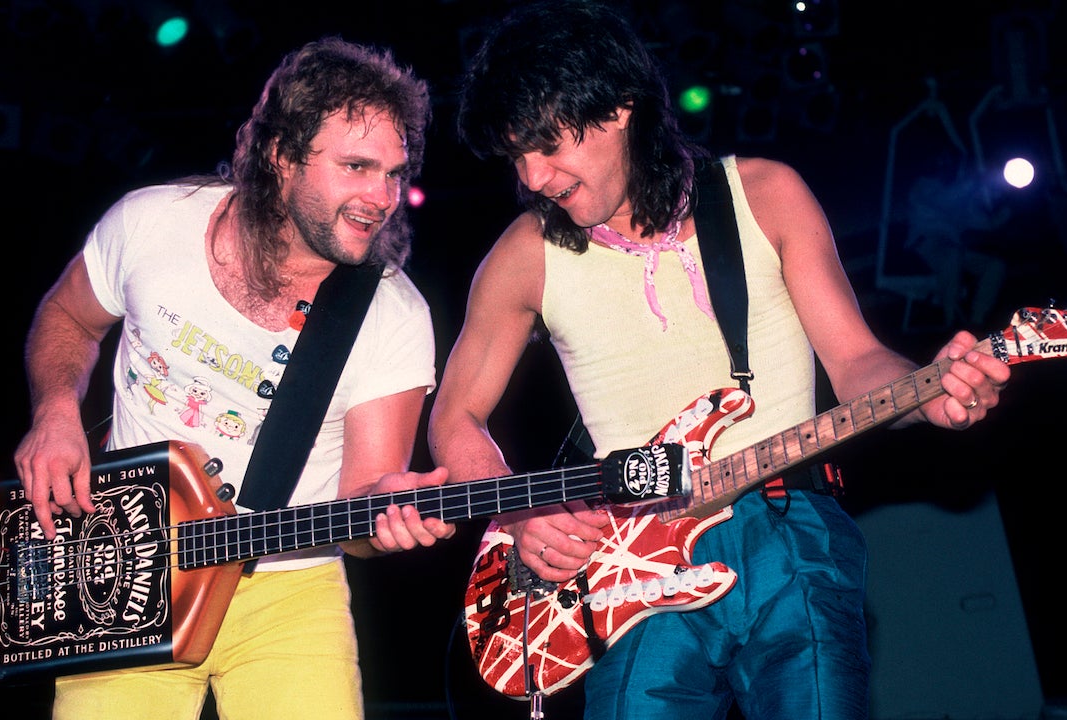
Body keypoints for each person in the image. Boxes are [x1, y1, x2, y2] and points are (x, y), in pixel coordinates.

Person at [427, 2, 1012, 718]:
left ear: (618, 107)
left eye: (547, 145)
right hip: (628, 562)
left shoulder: (765, 194)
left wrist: (929, 394)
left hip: (788, 525)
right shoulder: (524, 255)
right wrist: (522, 510)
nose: (534, 175)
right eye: (516, 156)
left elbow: (857, 362)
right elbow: (454, 417)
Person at [12, 36, 455, 720]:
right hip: (124, 569)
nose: (383, 196)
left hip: (289, 596)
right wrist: (54, 415)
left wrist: (387, 513)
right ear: (280, 155)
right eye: (356, 166)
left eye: (394, 173)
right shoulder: (152, 223)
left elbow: (361, 511)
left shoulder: (393, 315)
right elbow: (67, 317)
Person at [905, 150, 1011, 328]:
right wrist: (975, 181)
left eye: (950, 163)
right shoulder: (922, 187)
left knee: (995, 265)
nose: (948, 167)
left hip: (954, 247)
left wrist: (1008, 208)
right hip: (925, 246)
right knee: (952, 255)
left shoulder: (959, 192)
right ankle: (950, 321)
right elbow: (944, 201)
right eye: (943, 163)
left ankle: (977, 320)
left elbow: (983, 223)